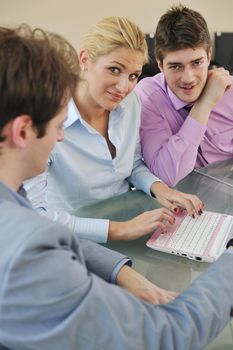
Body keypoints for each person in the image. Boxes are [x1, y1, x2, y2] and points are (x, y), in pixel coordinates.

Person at [1, 23, 233, 350]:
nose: (62, 136)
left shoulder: (14, 210)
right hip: (97, 229)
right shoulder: (30, 246)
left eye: (135, 75)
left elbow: (133, 164)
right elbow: (166, 335)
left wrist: (121, 270)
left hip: (123, 235)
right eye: (56, 126)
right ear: (23, 131)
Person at [24, 16, 203, 243]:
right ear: (84, 60)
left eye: (133, 76)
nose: (123, 87)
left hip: (129, 222)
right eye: (114, 70)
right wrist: (118, 229)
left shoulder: (130, 104)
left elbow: (133, 163)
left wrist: (160, 189)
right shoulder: (47, 121)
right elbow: (35, 215)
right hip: (73, 239)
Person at [135, 4, 233, 187]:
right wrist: (204, 104)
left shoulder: (230, 91)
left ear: (209, 56)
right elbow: (169, 177)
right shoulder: (148, 97)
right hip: (180, 206)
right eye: (175, 66)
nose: (188, 78)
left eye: (197, 63)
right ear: (160, 65)